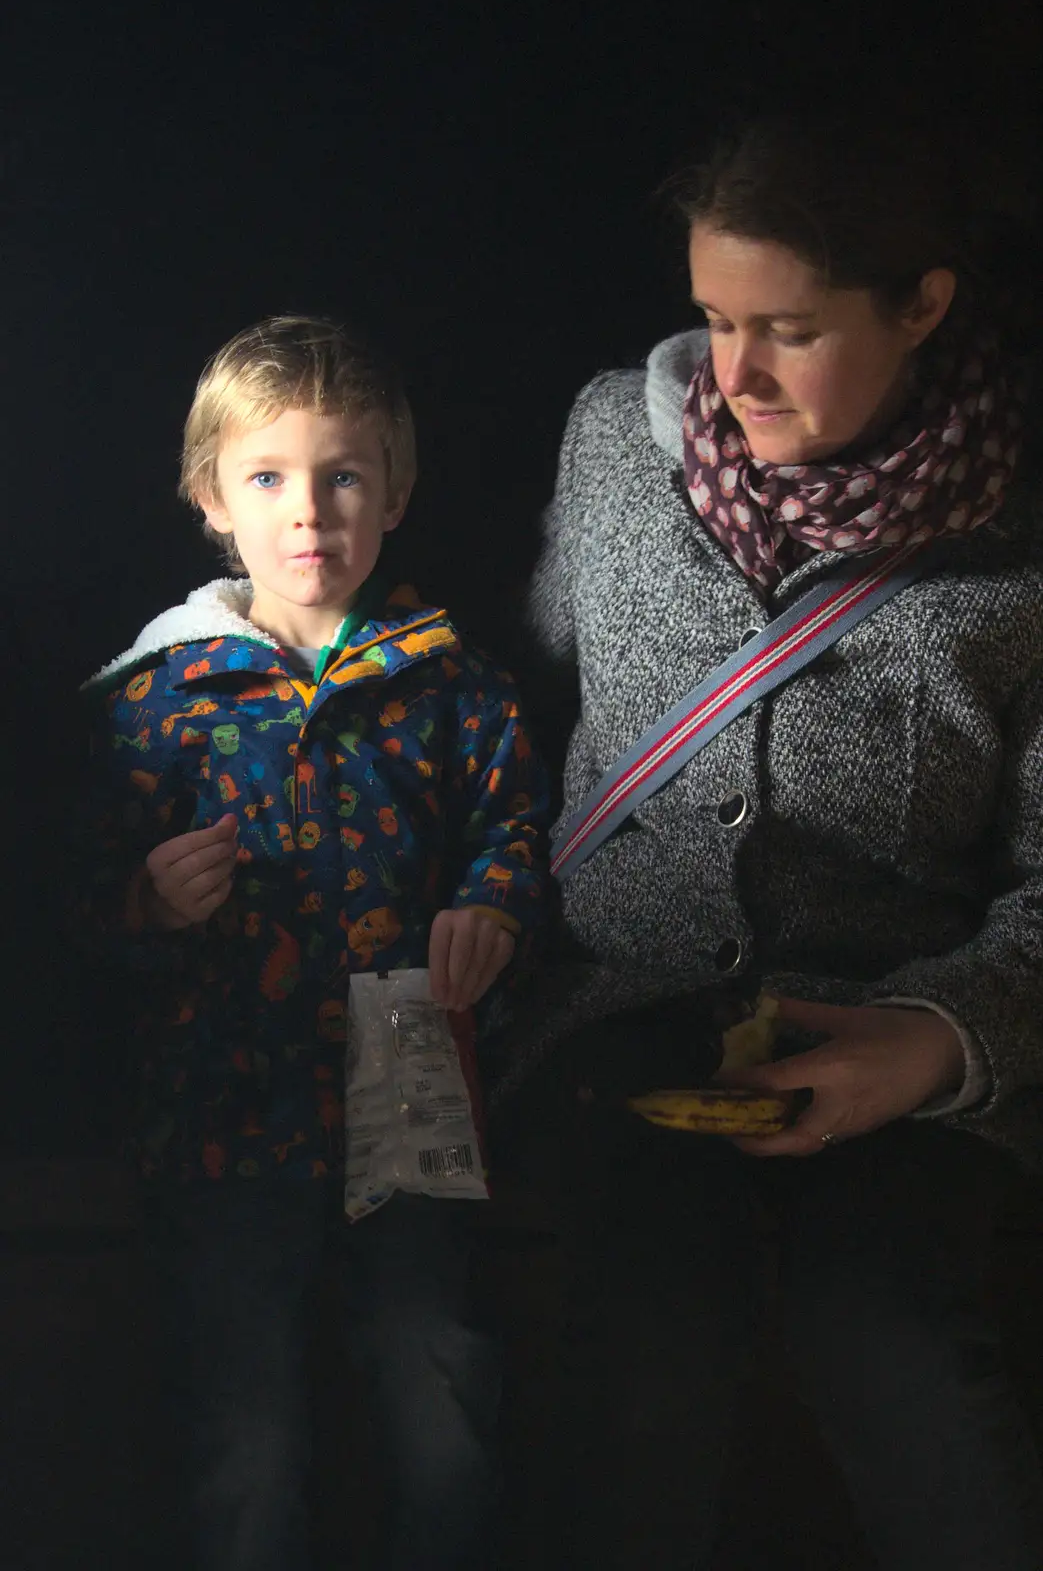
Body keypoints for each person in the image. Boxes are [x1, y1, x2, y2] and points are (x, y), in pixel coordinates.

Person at [490, 108, 1043, 1569]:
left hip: (904, 1047)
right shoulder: (614, 436)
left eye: (786, 329)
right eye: (710, 319)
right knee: (638, 1360)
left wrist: (928, 1046)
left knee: (898, 1351)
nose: (729, 378)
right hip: (626, 1026)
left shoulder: (1024, 524)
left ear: (921, 302)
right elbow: (518, 696)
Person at [77, 314, 548, 1571]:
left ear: (394, 494)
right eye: (270, 478)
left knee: (438, 1389)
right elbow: (72, 914)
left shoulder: (455, 684)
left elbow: (514, 830)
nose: (310, 513)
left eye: (343, 475)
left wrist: (492, 905)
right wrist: (144, 904)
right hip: (224, 1103)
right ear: (210, 499)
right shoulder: (153, 695)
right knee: (247, 1424)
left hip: (410, 1089)